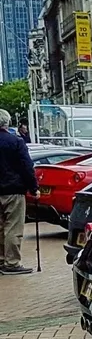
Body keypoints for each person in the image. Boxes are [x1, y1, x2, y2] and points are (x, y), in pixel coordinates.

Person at [0, 110, 37, 274]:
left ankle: (1, 259)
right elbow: (26, 167)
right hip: (13, 190)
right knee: (13, 228)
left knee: (0, 228)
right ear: (7, 123)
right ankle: (12, 263)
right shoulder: (16, 141)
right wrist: (34, 188)